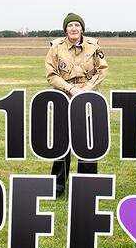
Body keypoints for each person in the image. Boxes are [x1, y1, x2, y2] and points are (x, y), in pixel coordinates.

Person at [44, 13, 109, 196]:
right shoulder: (56, 47)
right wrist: (71, 89)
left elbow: (102, 70)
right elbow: (51, 74)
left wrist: (86, 90)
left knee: (88, 144)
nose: (74, 28)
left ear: (82, 28)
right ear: (66, 29)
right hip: (64, 97)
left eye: (77, 25)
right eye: (70, 25)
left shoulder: (93, 46)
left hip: (88, 100)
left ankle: (87, 186)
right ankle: (57, 187)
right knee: (62, 145)